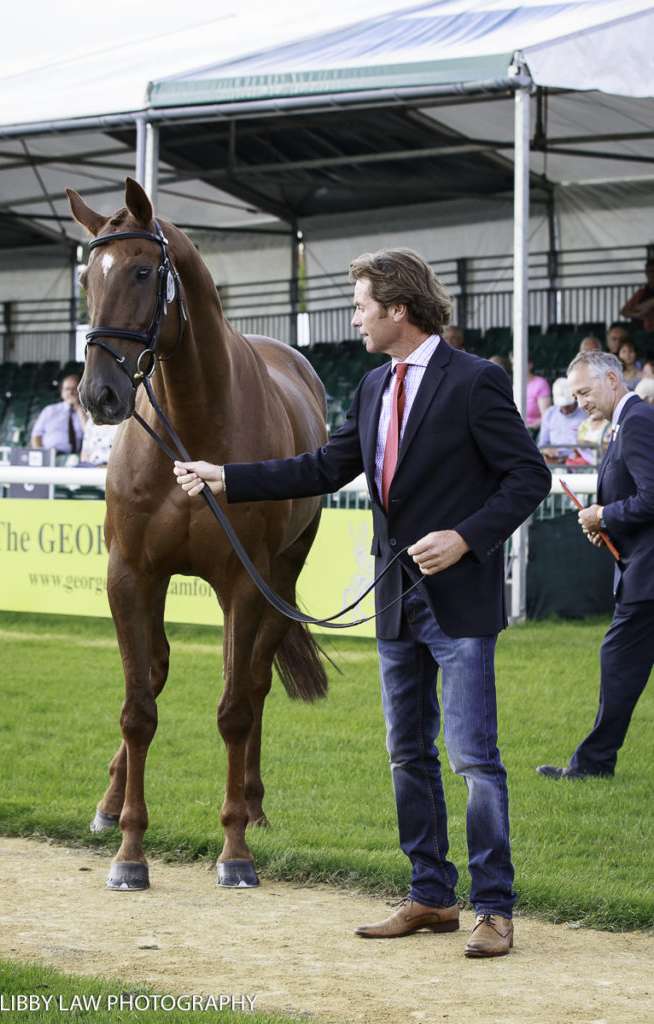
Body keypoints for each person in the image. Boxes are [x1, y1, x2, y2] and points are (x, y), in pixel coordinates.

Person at [174, 248, 552, 959]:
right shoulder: (375, 385)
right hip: (394, 604)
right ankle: (431, 896)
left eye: (359, 305)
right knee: (406, 753)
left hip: (459, 601)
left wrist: (465, 539)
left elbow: (526, 477)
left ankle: (494, 909)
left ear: (397, 310)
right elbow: (323, 464)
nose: (353, 317)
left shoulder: (475, 382)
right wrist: (228, 477)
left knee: (473, 759)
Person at [537, 351, 654, 780]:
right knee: (619, 663)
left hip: (648, 576)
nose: (580, 402)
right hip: (641, 570)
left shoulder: (637, 421)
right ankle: (594, 762)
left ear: (611, 379)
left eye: (584, 392)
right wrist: (606, 525)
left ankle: (593, 765)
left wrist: (603, 516)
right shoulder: (624, 424)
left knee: (618, 662)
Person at [30, 374, 86, 455]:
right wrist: (40, 453)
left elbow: (87, 431)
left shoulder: (85, 413)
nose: (70, 392)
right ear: (62, 393)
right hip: (48, 454)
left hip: (73, 457)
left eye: (74, 389)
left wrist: (78, 408)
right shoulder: (49, 410)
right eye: (67, 389)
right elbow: (36, 436)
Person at [536, 377, 587, 464]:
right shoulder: (550, 413)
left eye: (567, 405)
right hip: (552, 461)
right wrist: (547, 450)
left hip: (577, 462)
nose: (565, 408)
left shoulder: (585, 414)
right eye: (562, 405)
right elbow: (542, 443)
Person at [620, 258, 654, 332]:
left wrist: (638, 309)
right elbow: (624, 311)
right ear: (646, 273)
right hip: (638, 332)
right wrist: (639, 314)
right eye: (650, 271)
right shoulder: (641, 292)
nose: (652, 274)